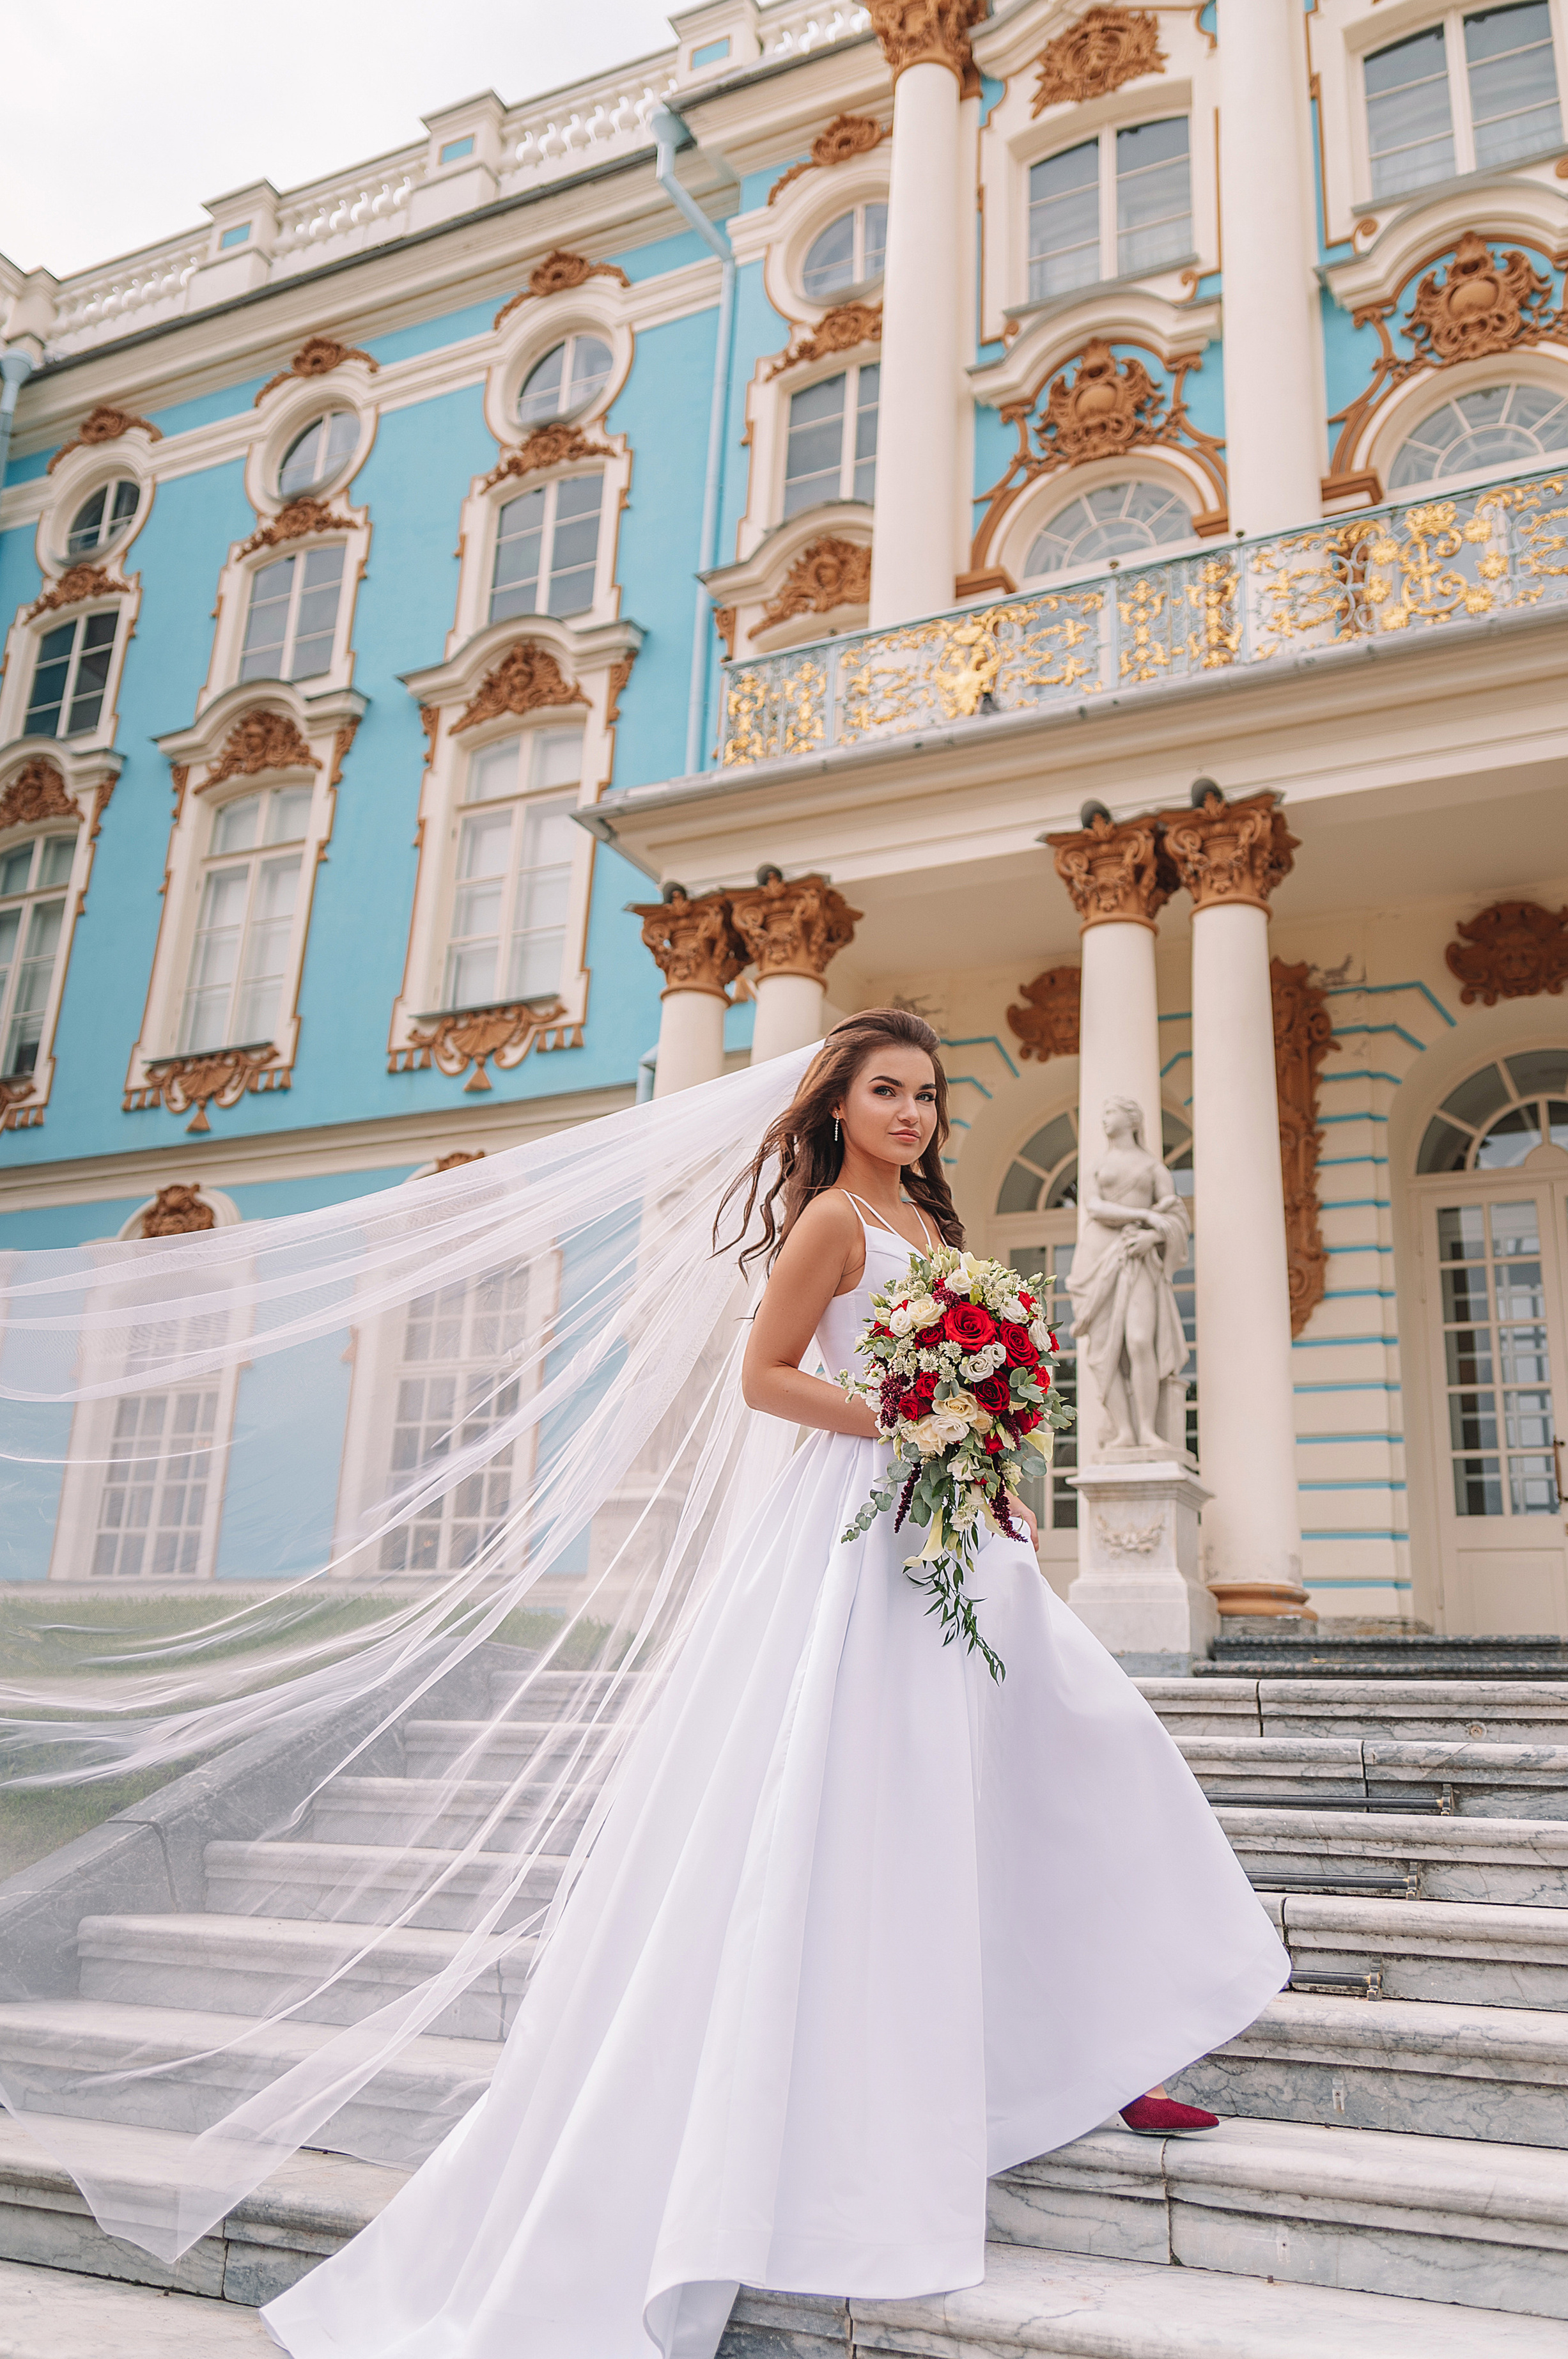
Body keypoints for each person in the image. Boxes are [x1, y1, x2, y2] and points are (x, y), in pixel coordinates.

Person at [259, 1010, 1288, 2359]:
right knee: (886, 1802)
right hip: (851, 1536)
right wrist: (906, 1417)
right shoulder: (828, 1228)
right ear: (837, 1104)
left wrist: (984, 1463)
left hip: (954, 1520)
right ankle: (937, 2088)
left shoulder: (931, 1223)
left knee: (1079, 1750)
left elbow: (963, 1379)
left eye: (925, 1093)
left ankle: (1110, 2041)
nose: (912, 1114)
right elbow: (762, 1380)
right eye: (886, 1092)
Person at [1069, 1093, 1192, 1452]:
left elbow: (1177, 1219)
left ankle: (1148, 1431)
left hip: (1139, 1258)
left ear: (1133, 1120)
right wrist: (1145, 1216)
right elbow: (1093, 1206)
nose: (1105, 1119)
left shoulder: (1154, 1169)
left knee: (1140, 1341)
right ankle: (1124, 1431)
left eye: (1111, 1112)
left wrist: (1152, 1235)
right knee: (1106, 1348)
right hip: (1097, 1256)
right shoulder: (1096, 1165)